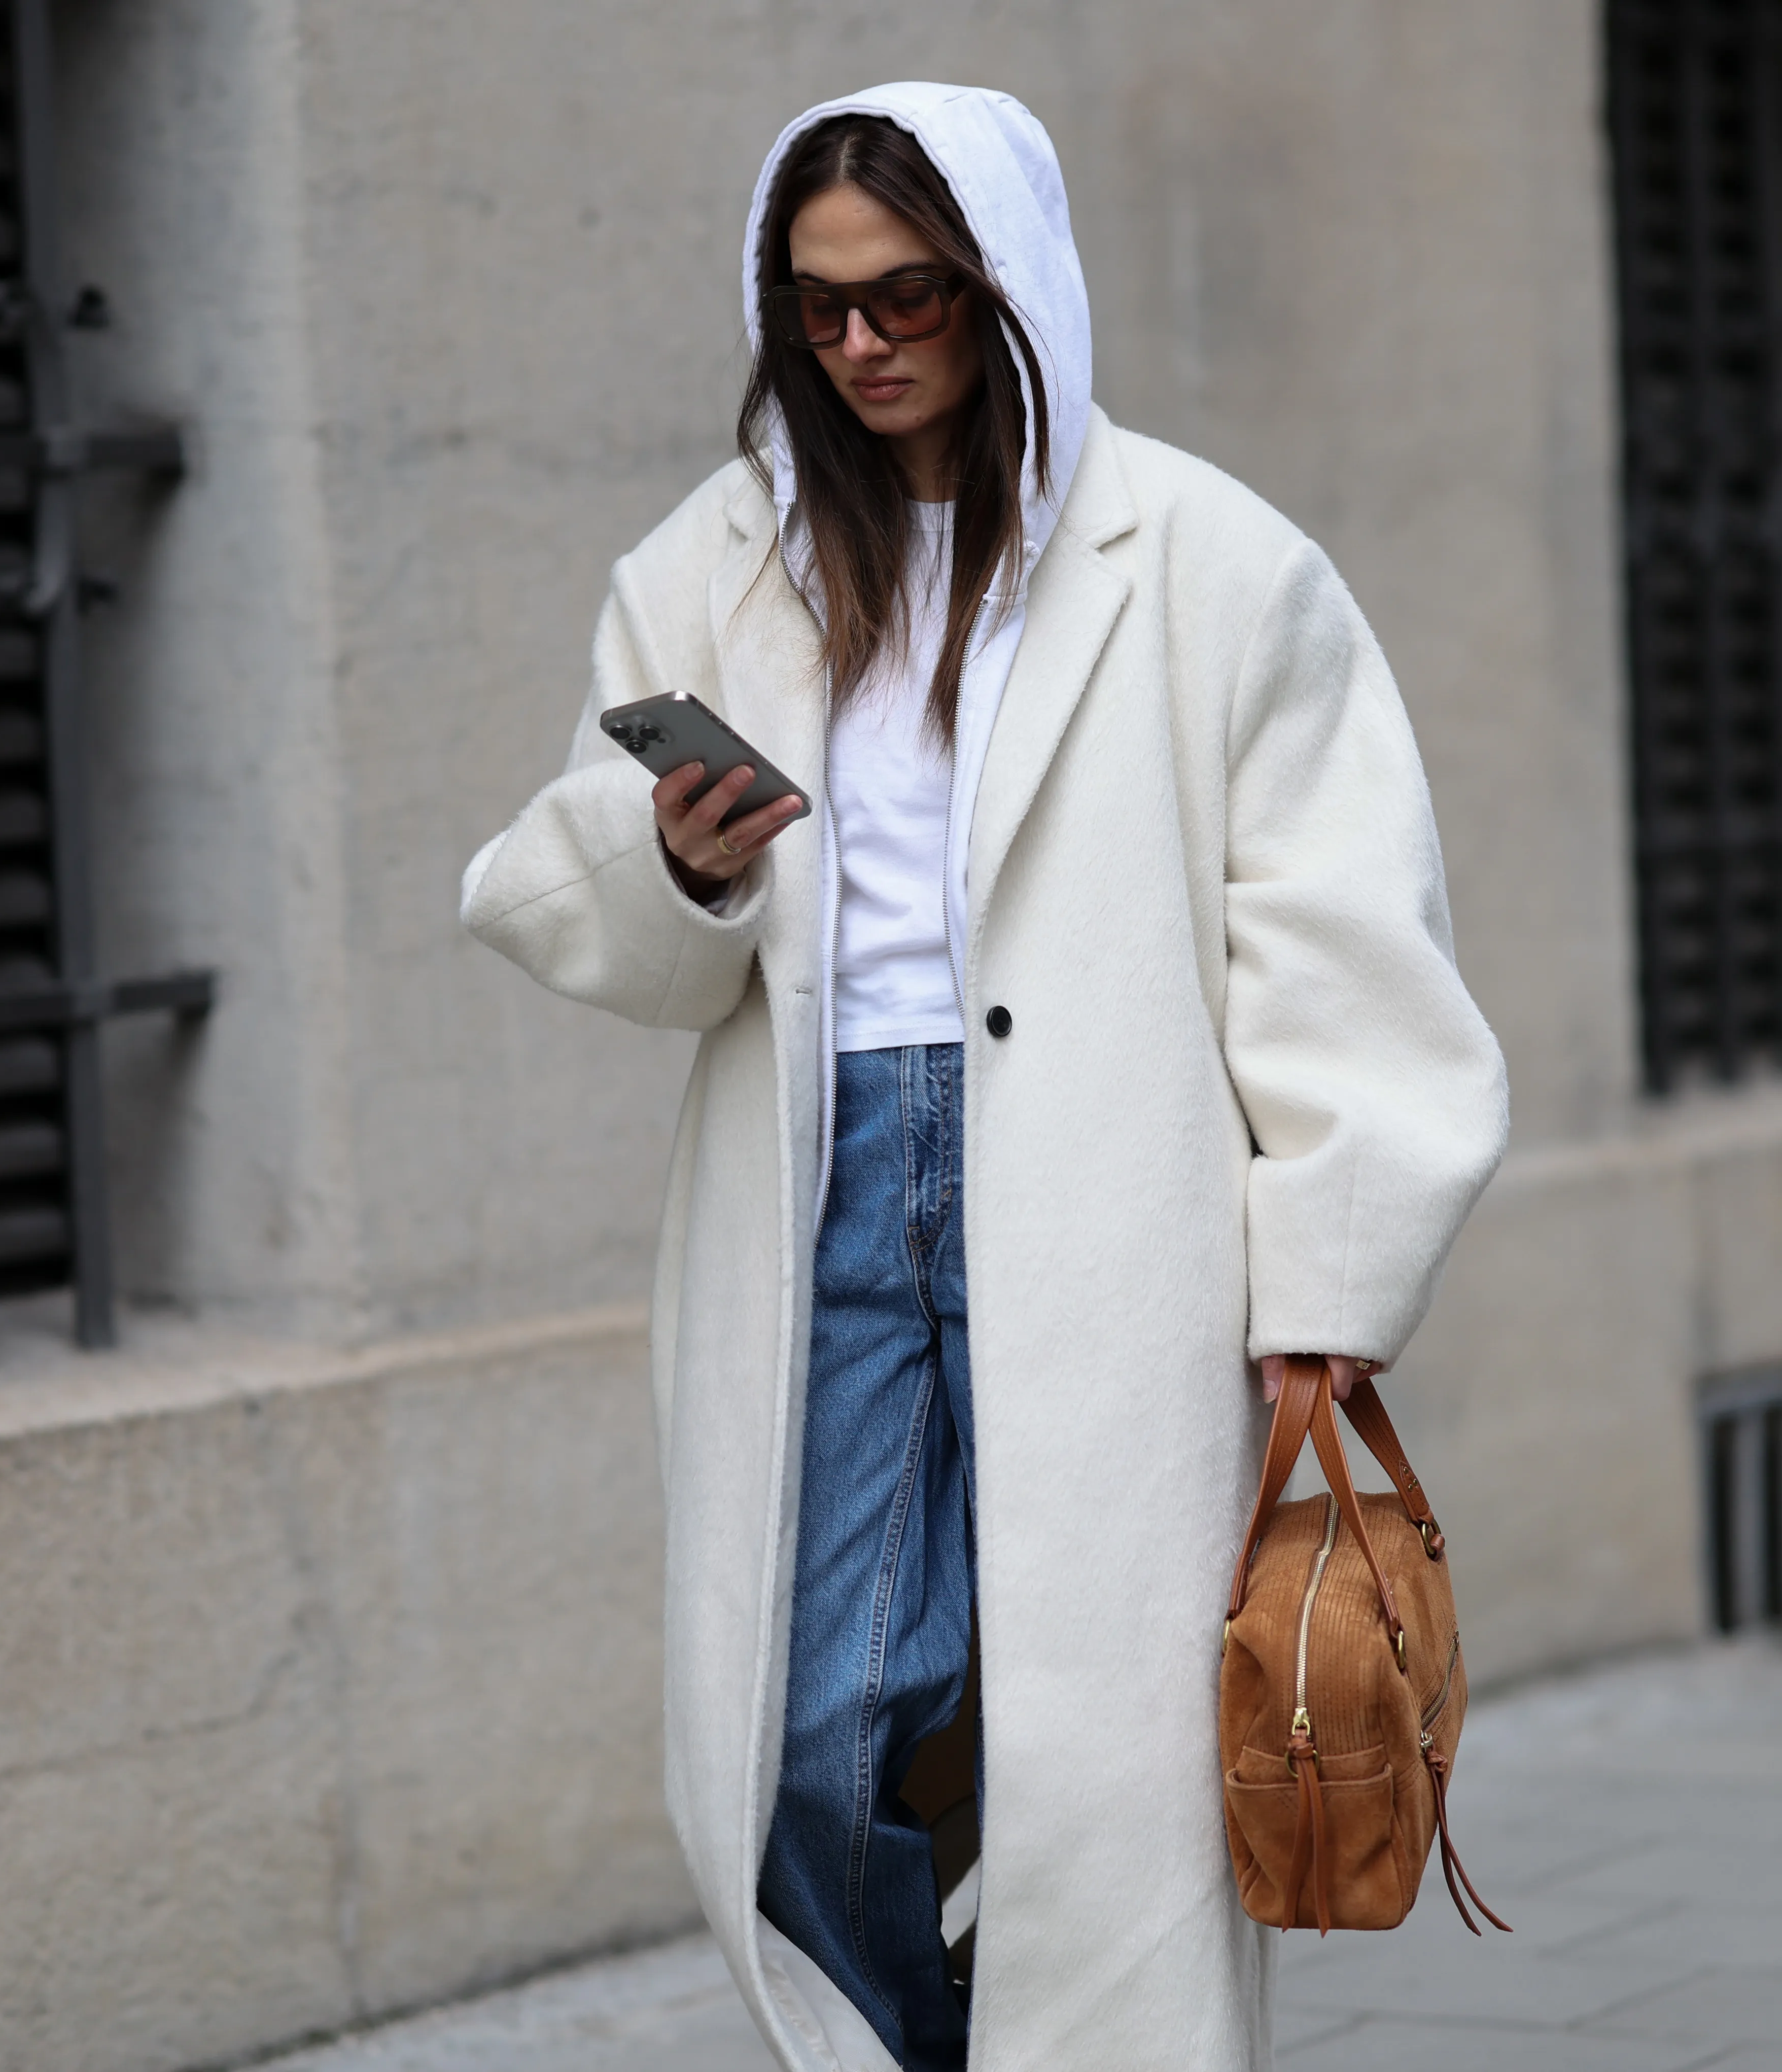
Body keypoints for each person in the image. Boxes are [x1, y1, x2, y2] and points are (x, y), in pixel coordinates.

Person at [462, 83, 1505, 2072]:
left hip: (1113, 1191)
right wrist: (673, 861)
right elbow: (555, 873)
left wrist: (1327, 1288)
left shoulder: (1209, 562)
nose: (859, 342)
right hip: (828, 1169)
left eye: (908, 295)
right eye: (817, 305)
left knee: (1094, 1743)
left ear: (1005, 288)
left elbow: (1337, 931)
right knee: (812, 1729)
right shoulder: (720, 563)